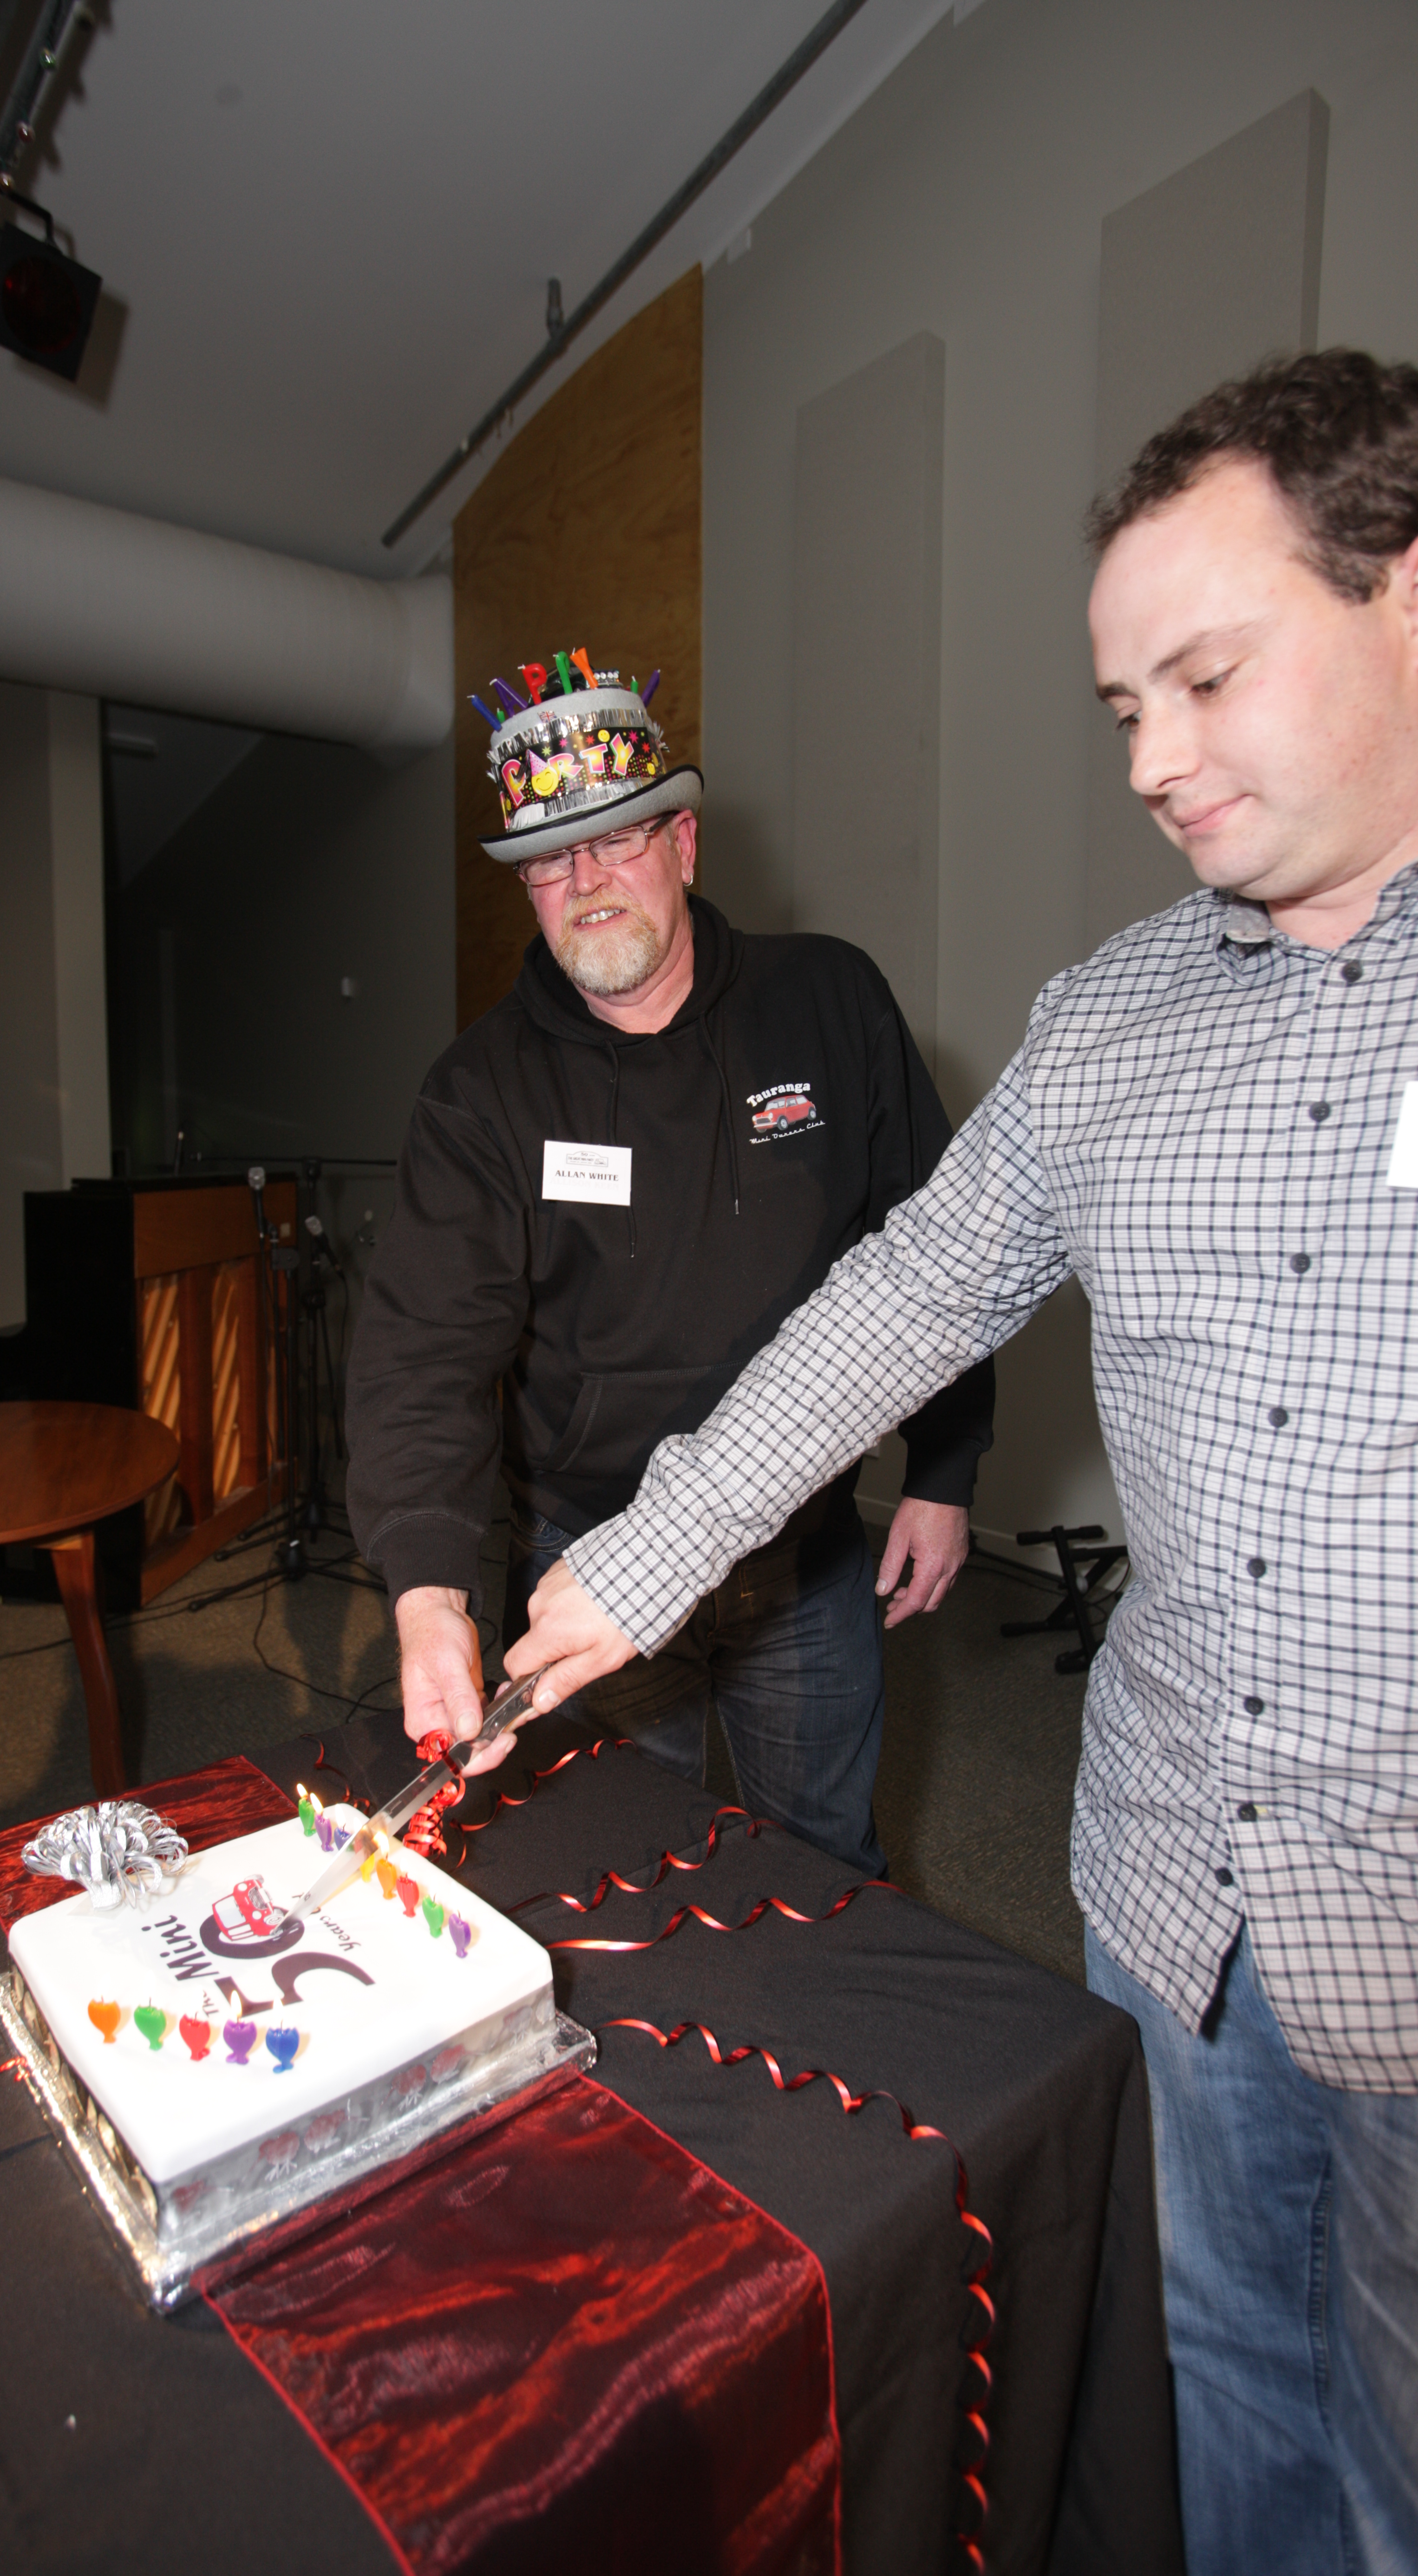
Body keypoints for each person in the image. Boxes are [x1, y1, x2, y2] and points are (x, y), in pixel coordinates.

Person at [506, 352, 1418, 2576]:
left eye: (1204, 678)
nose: (1152, 762)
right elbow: (904, 1295)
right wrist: (644, 1561)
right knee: (1211, 2372)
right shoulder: (1111, 1016)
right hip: (1168, 1879)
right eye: (1123, 706)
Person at [345, 653, 993, 1871]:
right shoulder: (481, 1092)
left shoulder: (831, 999)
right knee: (619, 1874)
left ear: (684, 845)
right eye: (550, 860)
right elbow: (423, 1354)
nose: (586, 882)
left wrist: (944, 1469)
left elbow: (935, 1246)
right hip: (588, 1560)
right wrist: (428, 1593)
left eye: (616, 841)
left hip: (803, 1554)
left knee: (825, 1865)